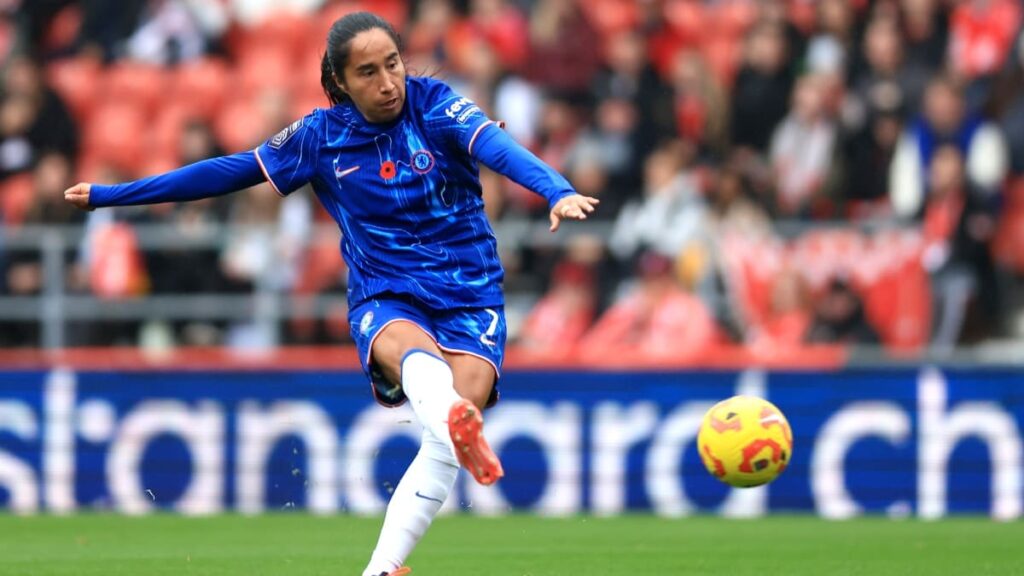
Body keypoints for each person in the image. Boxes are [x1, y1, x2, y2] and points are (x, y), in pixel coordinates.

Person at [64, 12, 598, 576]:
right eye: (368, 72)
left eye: (392, 64)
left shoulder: (435, 103)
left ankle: (385, 561)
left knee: (445, 437)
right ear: (341, 81)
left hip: (471, 293)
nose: (388, 82)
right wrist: (112, 196)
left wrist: (555, 190)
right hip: (387, 292)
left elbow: (497, 147)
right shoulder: (320, 137)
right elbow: (228, 171)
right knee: (426, 375)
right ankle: (451, 419)